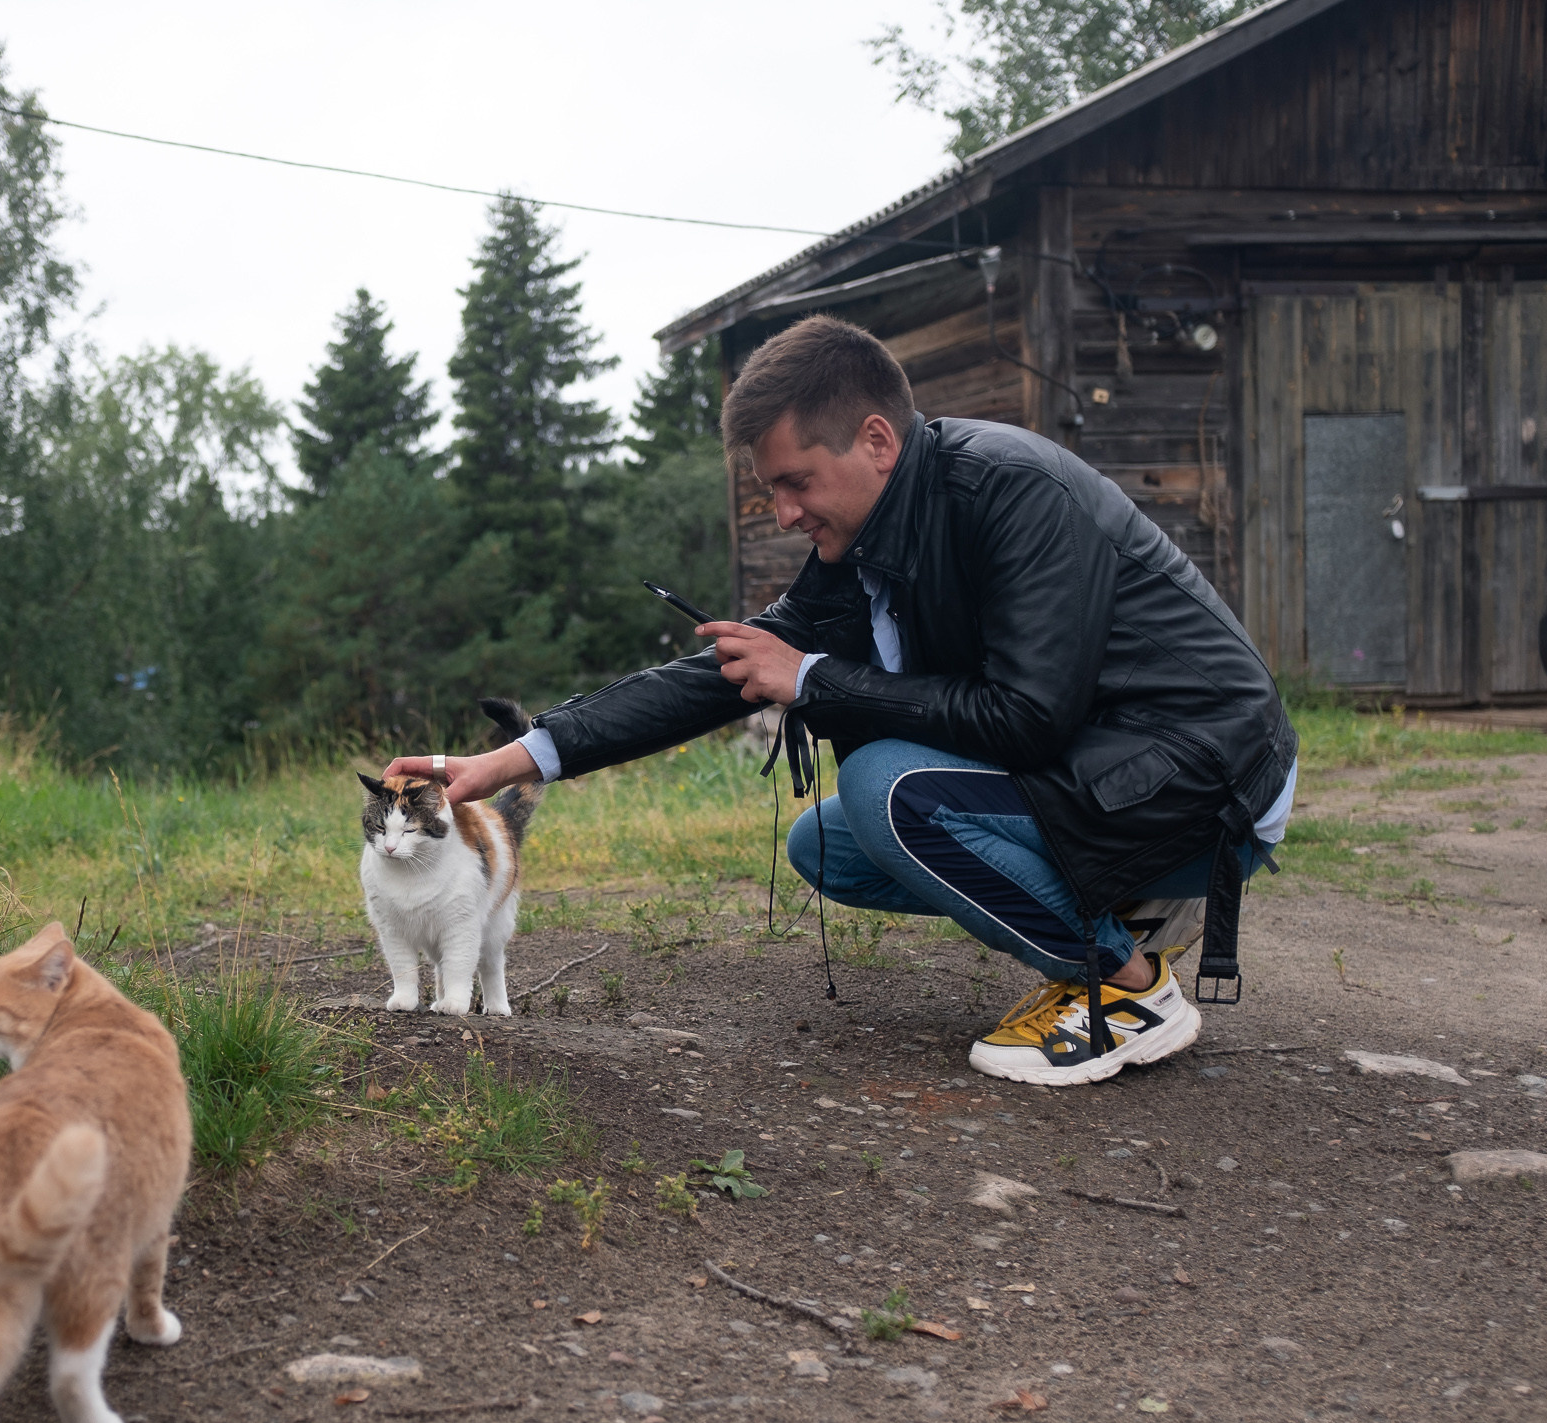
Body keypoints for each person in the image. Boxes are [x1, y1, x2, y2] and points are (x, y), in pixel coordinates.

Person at [384, 315, 1297, 1088]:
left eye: (796, 482)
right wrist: (510, 760)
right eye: (770, 490)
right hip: (1106, 775)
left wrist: (815, 679)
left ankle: (1128, 989)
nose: (784, 513)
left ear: (876, 441)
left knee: (885, 789)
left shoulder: (1013, 491)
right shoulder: (865, 542)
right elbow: (725, 672)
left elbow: (1029, 716)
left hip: (1204, 782)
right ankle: (1125, 911)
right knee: (827, 844)